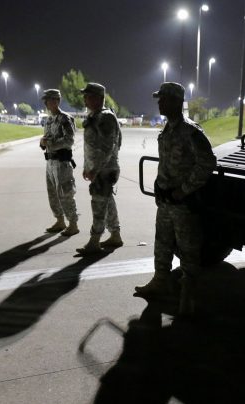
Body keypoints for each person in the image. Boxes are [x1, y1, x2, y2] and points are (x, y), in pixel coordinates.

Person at [134, 82, 217, 315]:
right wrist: (159, 185)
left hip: (183, 204)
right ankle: (160, 282)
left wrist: (183, 190)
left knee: (188, 250)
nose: (159, 103)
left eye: (163, 99)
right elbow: (167, 163)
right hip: (166, 201)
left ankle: (188, 296)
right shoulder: (167, 130)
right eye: (159, 99)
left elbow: (207, 163)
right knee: (162, 244)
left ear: (176, 101)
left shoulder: (192, 132)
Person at [75, 82, 123, 256]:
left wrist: (94, 169)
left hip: (105, 170)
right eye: (85, 96)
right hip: (99, 169)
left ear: (99, 98)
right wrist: (87, 167)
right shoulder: (95, 116)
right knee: (107, 202)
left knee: (98, 205)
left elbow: (106, 148)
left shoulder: (106, 117)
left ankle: (94, 241)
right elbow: (91, 147)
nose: (85, 99)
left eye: (88, 96)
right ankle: (115, 235)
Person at [40, 88, 80, 236]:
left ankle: (73, 224)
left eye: (50, 99)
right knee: (53, 194)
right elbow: (46, 138)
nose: (47, 103)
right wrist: (43, 142)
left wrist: (50, 143)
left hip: (62, 163)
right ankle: (60, 220)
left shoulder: (65, 118)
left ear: (57, 101)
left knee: (65, 193)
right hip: (50, 162)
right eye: (46, 100)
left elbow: (69, 140)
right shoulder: (49, 120)